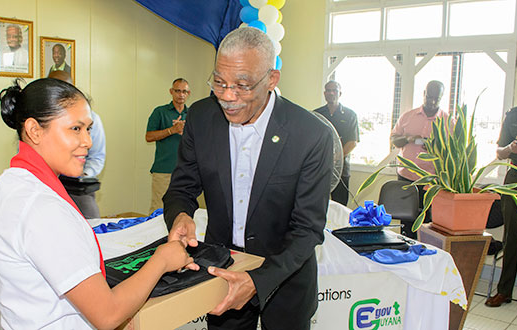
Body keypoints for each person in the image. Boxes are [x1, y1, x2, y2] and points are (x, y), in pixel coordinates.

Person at [0, 78, 194, 329]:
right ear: (35, 130)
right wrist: (162, 260)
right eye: (75, 129)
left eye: (89, 129)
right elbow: (108, 315)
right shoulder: (44, 209)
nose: (88, 142)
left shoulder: (9, 185)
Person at [163, 27, 332, 330]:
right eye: (219, 82)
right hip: (222, 277)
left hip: (286, 281)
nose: (228, 96)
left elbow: (308, 229)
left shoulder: (310, 134)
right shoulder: (201, 118)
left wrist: (257, 280)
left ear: (271, 79)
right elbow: (181, 188)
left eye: (242, 85)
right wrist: (180, 216)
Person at [485, 82, 517, 312]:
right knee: (512, 238)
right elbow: (500, 152)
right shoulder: (514, 117)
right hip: (515, 179)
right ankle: (504, 291)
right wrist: (511, 148)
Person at [390, 80, 448, 238]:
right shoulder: (408, 117)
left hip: (430, 181)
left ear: (442, 97)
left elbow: (451, 154)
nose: (432, 101)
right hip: (406, 177)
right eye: (429, 97)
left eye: (436, 98)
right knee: (406, 221)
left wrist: (434, 147)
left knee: (427, 223)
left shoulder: (447, 121)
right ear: (423, 94)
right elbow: (394, 140)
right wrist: (408, 138)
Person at [48, 70, 105, 218]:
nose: (86, 141)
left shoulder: (91, 118)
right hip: (46, 186)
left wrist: (82, 174)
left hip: (77, 188)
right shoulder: (39, 121)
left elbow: (97, 156)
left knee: (91, 228)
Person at [145, 78, 190, 213]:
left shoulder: (192, 114)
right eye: (177, 91)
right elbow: (149, 137)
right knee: (159, 209)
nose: (181, 95)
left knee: (184, 209)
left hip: (186, 171)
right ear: (171, 92)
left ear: (188, 94)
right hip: (163, 170)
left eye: (184, 91)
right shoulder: (160, 112)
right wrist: (172, 130)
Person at [313, 80, 359, 206]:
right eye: (328, 90)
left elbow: (352, 142)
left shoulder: (350, 115)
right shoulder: (317, 114)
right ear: (324, 93)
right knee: (317, 204)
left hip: (341, 171)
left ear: (340, 93)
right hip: (319, 168)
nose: (331, 93)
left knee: (339, 205)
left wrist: (335, 158)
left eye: (334, 90)